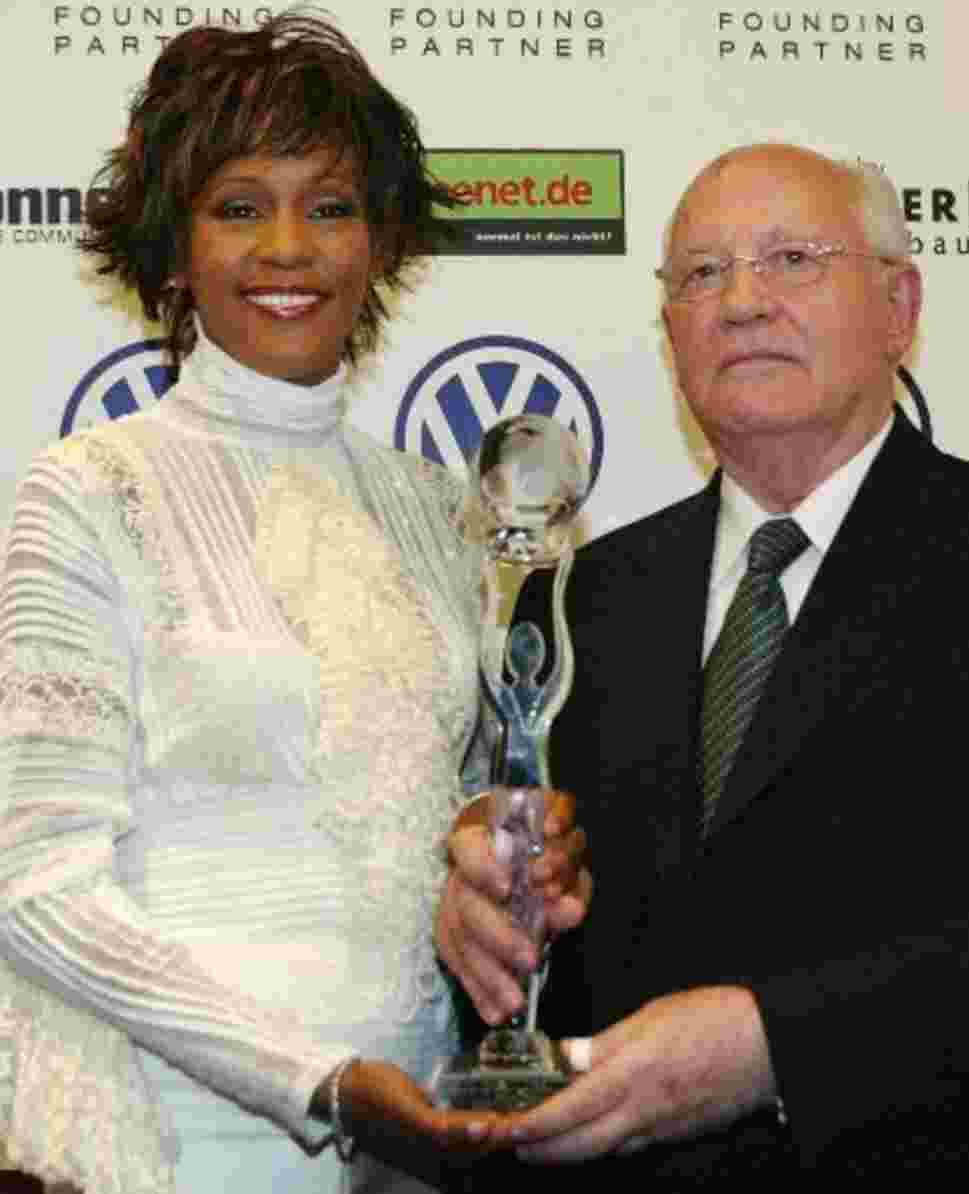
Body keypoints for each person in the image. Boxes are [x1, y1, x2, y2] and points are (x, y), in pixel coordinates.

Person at [0, 13, 587, 1194]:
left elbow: (446, 799)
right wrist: (314, 1079)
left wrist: (496, 847)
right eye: (237, 207)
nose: (288, 249)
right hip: (180, 1144)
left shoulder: (438, 508)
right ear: (172, 249)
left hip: (421, 1136)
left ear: (379, 244)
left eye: (328, 207)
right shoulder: (85, 493)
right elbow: (34, 883)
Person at [438, 143, 969, 1180]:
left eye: (792, 258)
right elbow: (551, 944)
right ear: (669, 332)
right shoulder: (579, 596)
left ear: (899, 304)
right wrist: (488, 919)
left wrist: (780, 1046)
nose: (742, 302)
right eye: (701, 274)